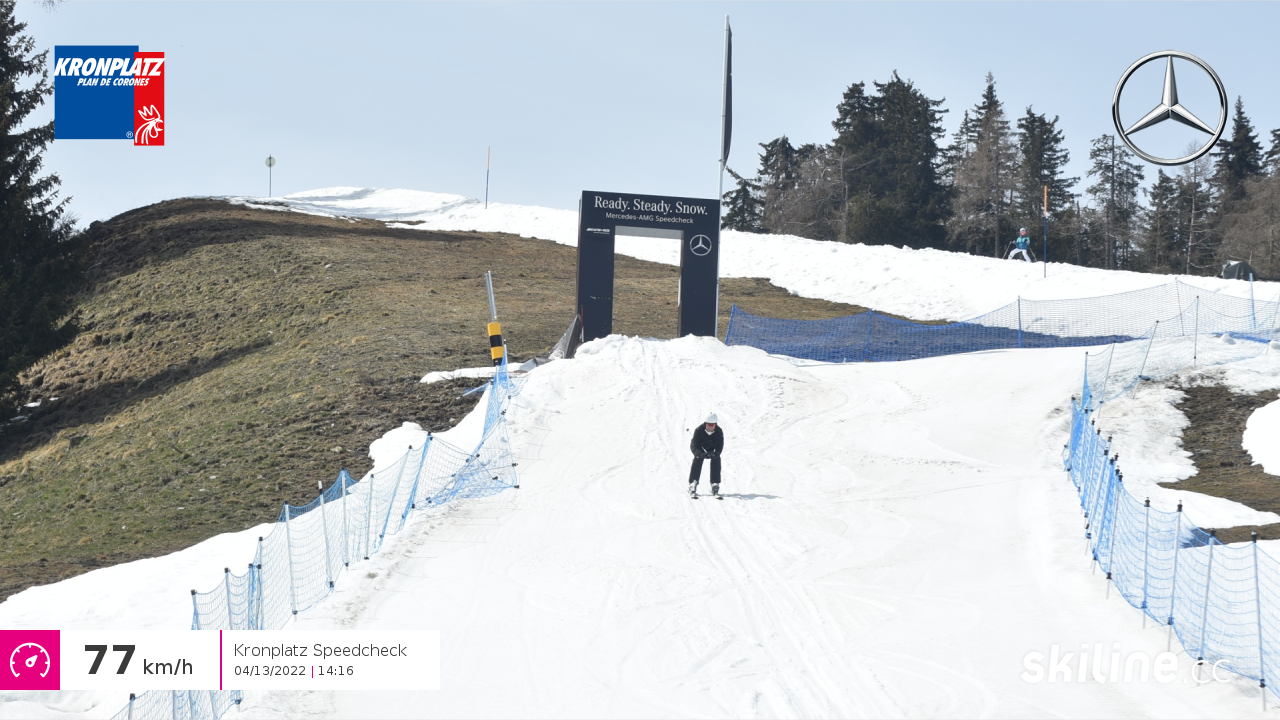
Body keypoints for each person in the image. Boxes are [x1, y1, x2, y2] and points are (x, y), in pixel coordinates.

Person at [689, 412, 724, 498]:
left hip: (712, 448)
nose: (711, 427)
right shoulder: (698, 430)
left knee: (716, 458)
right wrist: (701, 454)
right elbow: (694, 446)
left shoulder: (719, 431)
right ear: (705, 424)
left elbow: (720, 446)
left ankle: (715, 483)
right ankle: (693, 483)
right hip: (701, 448)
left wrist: (716, 453)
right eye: (709, 424)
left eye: (713, 425)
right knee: (698, 458)